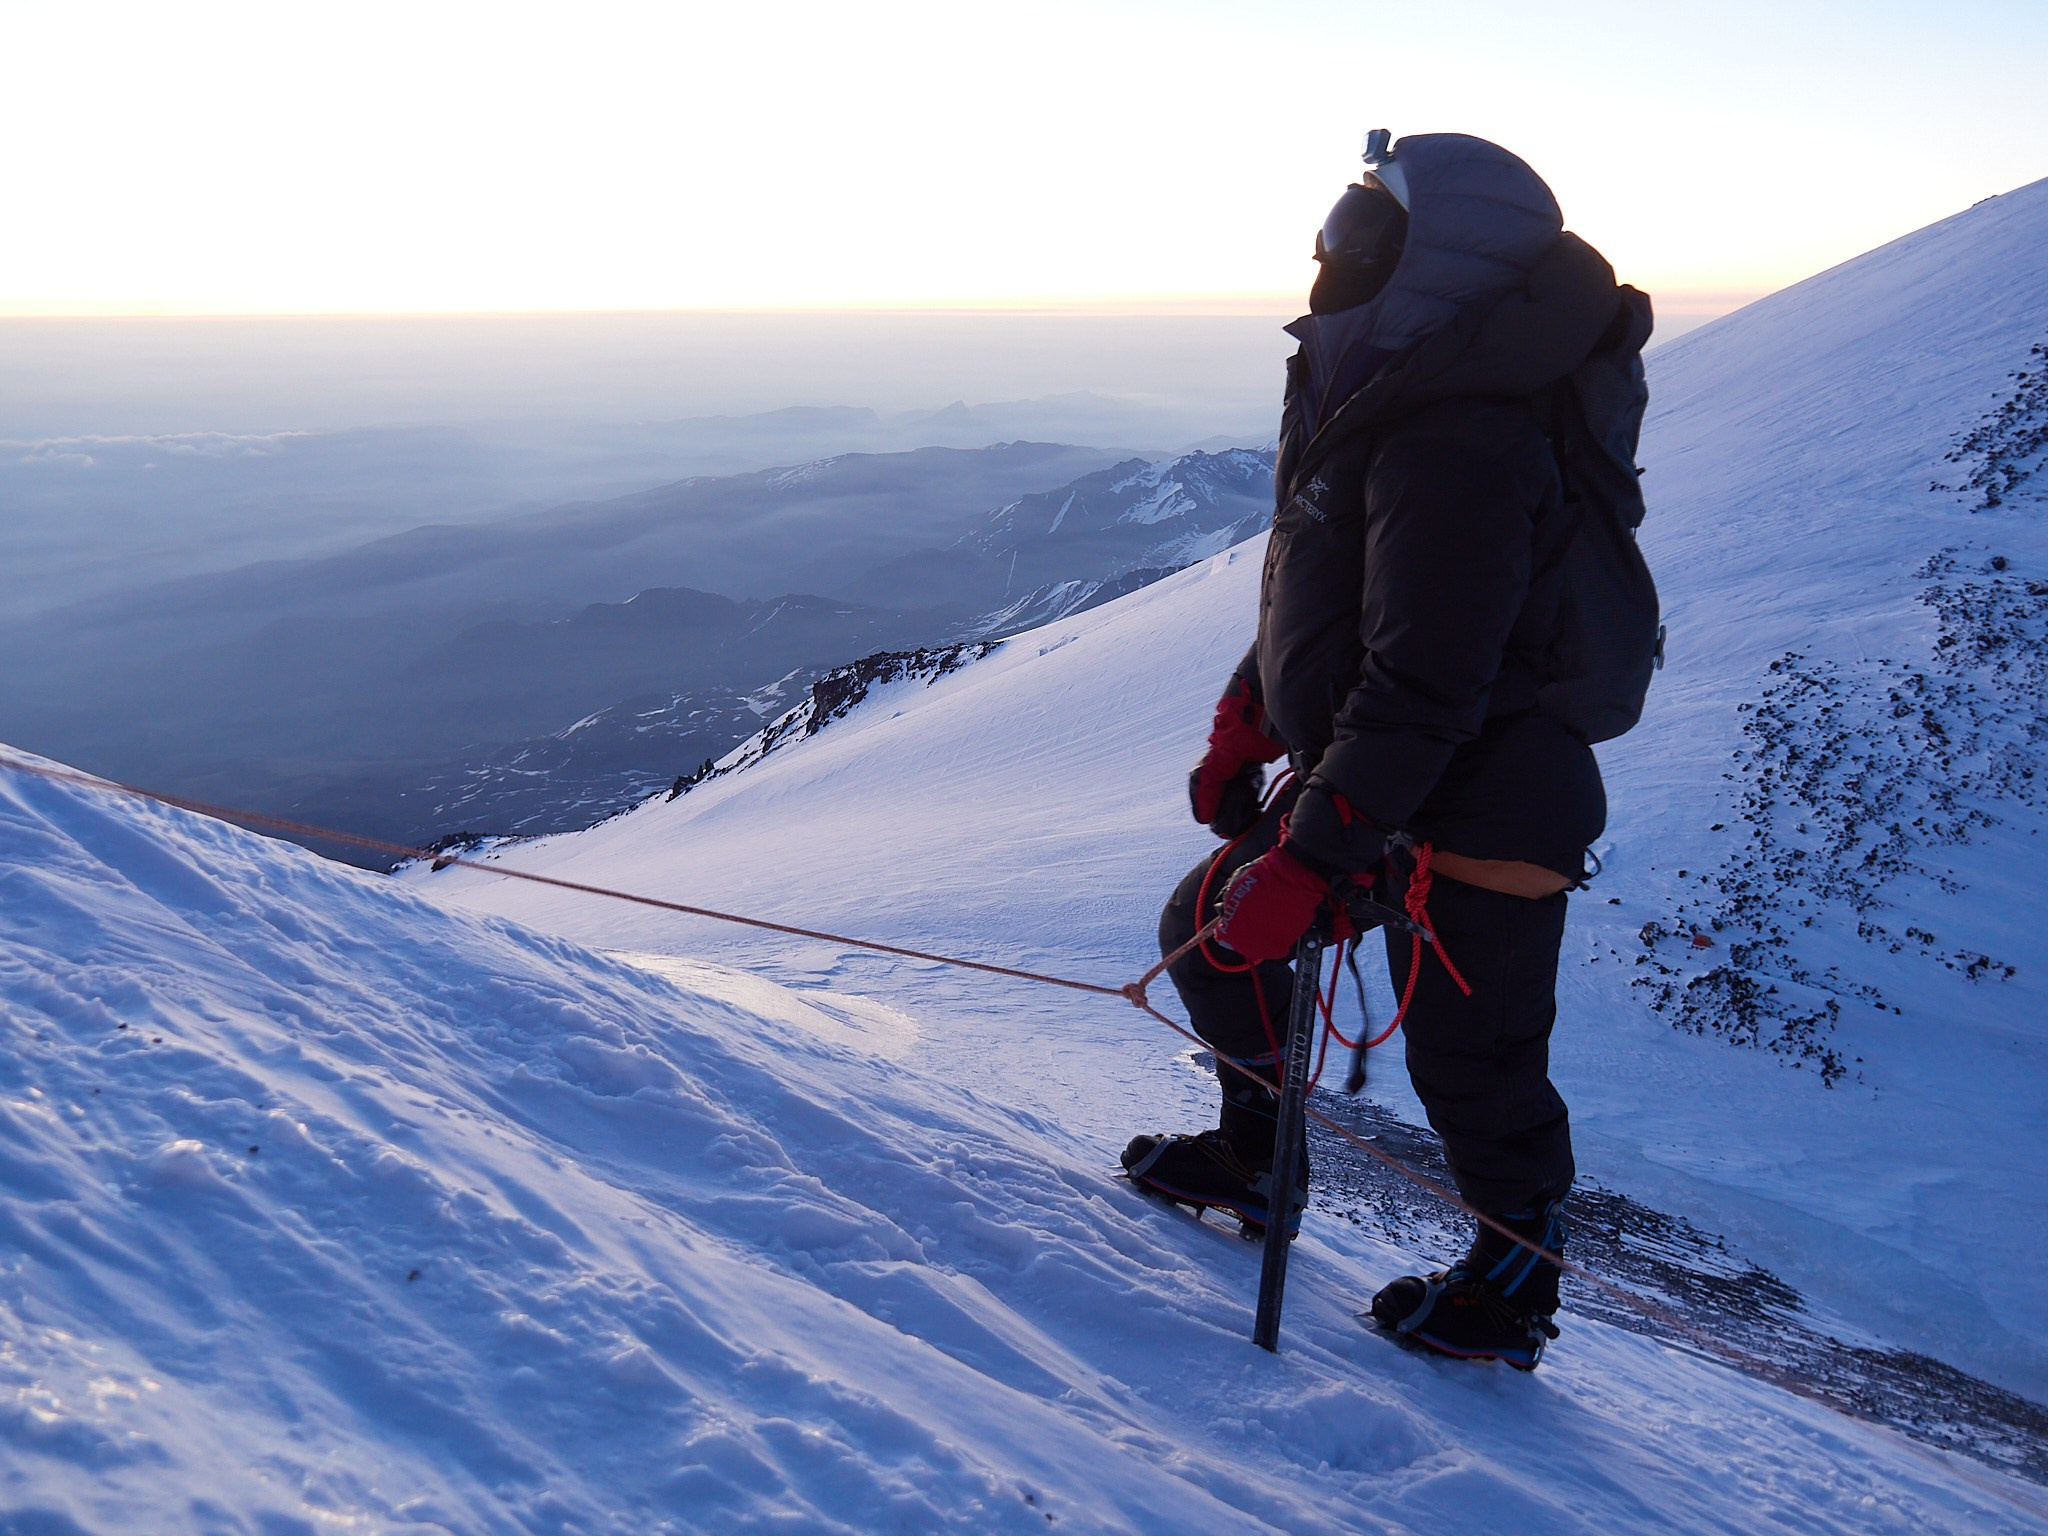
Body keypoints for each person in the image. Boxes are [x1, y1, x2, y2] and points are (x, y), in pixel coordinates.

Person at [1122, 130, 1652, 1369]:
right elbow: (1335, 597)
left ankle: (1512, 1286)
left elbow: (1429, 677)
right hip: (1377, 764)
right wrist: (1253, 708)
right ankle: (1262, 1164)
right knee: (1208, 937)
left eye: (1363, 232)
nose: (1329, 253)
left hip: (1490, 795)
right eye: (1339, 226)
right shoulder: (1386, 393)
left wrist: (1307, 862)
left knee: (1474, 1056)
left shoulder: (1460, 435)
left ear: (1437, 259)